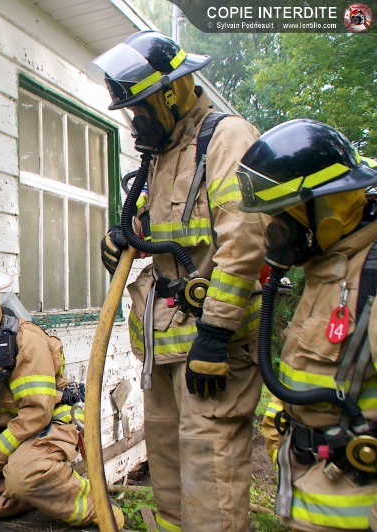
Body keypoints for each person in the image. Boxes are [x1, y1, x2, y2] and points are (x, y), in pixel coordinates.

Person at [88, 30, 266, 531]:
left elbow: (244, 241)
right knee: (169, 489)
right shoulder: (163, 154)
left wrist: (215, 334)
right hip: (164, 350)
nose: (135, 121)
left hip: (213, 350)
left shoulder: (225, 139)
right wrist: (121, 238)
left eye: (140, 108)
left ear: (172, 93)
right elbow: (156, 230)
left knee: (210, 491)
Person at [237, 119, 377, 531]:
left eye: (283, 216)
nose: (275, 232)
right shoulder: (330, 268)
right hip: (316, 500)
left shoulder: (367, 278)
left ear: (327, 208)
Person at [0, 248, 124, 528]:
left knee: (23, 475)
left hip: (50, 426)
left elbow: (37, 413)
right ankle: (31, 490)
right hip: (16, 439)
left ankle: (98, 507)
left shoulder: (25, 341)